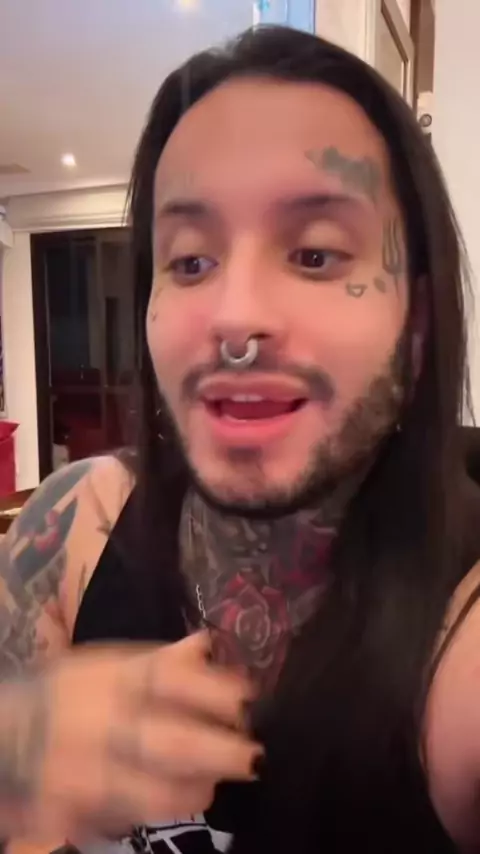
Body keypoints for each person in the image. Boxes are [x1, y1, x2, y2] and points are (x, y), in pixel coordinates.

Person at [1, 22, 480, 854]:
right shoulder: (73, 527)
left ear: (417, 328)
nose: (235, 319)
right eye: (190, 262)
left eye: (316, 255)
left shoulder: (462, 638)